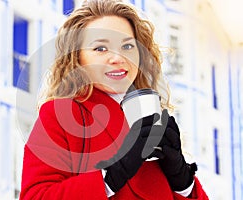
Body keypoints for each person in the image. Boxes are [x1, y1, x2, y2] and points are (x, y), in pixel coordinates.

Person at [19, 0, 209, 199]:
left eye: (127, 45)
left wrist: (183, 182)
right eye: (100, 48)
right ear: (77, 58)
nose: (118, 58)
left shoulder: (154, 115)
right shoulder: (60, 114)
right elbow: (36, 196)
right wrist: (110, 177)